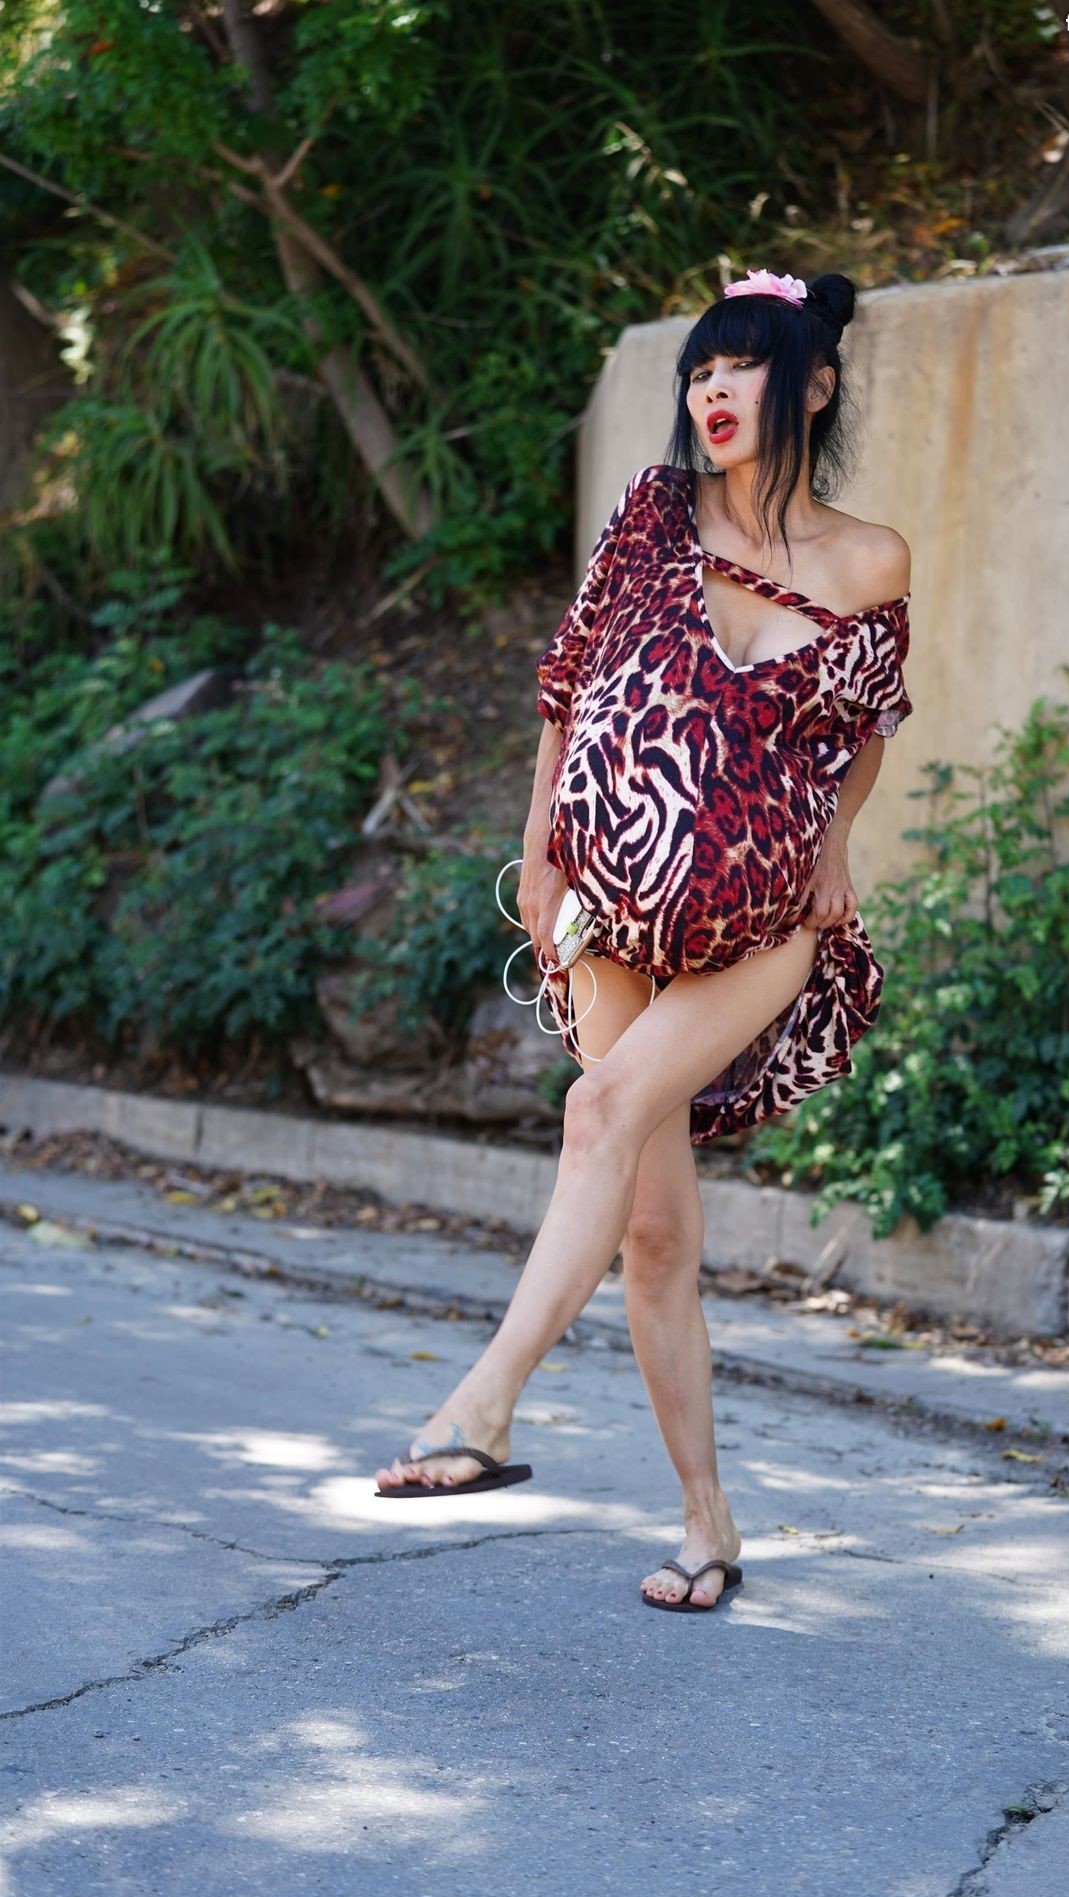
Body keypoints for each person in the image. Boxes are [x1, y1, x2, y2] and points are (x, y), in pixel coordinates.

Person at [374, 268, 914, 1613]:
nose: (713, 391)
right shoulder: (652, 514)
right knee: (656, 1234)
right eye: (699, 371)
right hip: (612, 907)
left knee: (598, 1106)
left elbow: (869, 729)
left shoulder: (870, 560)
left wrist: (838, 844)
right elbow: (568, 688)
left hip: (764, 921)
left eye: (742, 366)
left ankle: (482, 1408)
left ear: (814, 385)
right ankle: (707, 1523)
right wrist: (539, 843)